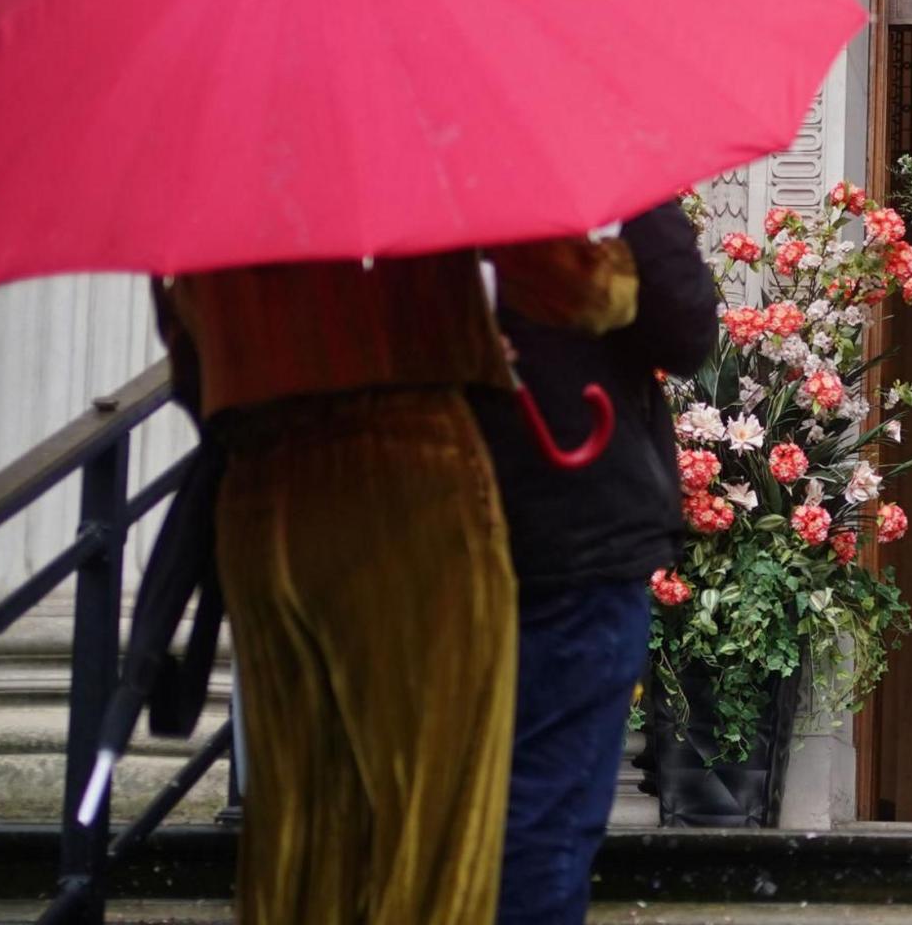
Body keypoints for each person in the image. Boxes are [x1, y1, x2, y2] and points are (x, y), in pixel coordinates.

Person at [152, 240, 637, 925]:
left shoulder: (216, 176)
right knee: (434, 828)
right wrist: (623, 258)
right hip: (406, 480)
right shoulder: (411, 137)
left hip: (259, 493)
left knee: (299, 834)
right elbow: (585, 293)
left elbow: (187, 362)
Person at [471, 202, 717, 925]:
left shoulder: (398, 148)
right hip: (571, 524)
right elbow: (686, 326)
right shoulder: (599, 166)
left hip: (426, 516)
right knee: (547, 807)